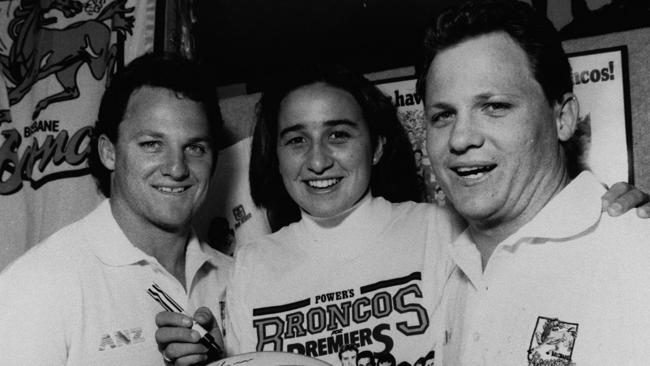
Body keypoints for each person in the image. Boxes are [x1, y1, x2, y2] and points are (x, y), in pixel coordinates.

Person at [156, 60, 650, 366]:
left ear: (377, 147)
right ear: (276, 157)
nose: (318, 159)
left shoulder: (442, 228)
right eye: (296, 139)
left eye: (339, 134)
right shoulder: (253, 264)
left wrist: (615, 215)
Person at [416, 0, 650, 364]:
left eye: (494, 106)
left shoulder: (636, 257)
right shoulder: (453, 267)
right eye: (443, 115)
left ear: (564, 118)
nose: (460, 139)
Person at [0, 52, 232, 365]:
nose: (177, 168)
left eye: (195, 148)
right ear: (108, 152)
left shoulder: (237, 276)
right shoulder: (37, 284)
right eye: (152, 144)